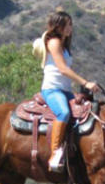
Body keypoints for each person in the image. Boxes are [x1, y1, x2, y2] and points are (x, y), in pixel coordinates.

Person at [40, 10, 100, 173]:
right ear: (59, 26)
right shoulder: (53, 42)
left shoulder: (64, 45)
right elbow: (62, 69)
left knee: (87, 108)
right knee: (64, 113)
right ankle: (55, 154)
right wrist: (85, 83)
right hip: (52, 89)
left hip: (64, 90)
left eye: (71, 24)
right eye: (68, 24)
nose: (70, 28)